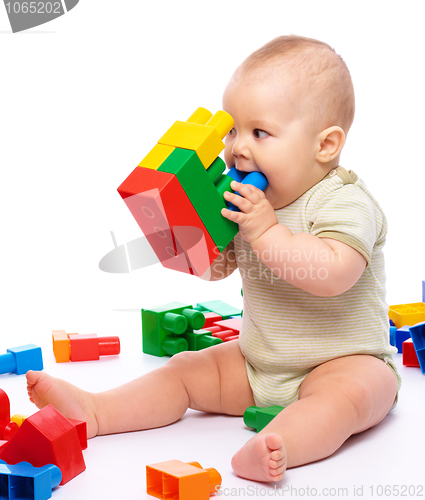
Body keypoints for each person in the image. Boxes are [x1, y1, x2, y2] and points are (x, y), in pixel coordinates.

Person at [26, 35, 400, 483]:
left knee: (353, 395)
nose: (237, 147)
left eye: (259, 132)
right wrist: (175, 233)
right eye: (232, 130)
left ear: (325, 145)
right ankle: (98, 411)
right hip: (257, 362)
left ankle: (278, 446)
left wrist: (265, 231)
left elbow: (334, 273)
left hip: (342, 361)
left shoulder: (343, 201)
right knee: (185, 370)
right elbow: (212, 268)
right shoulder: (246, 201)